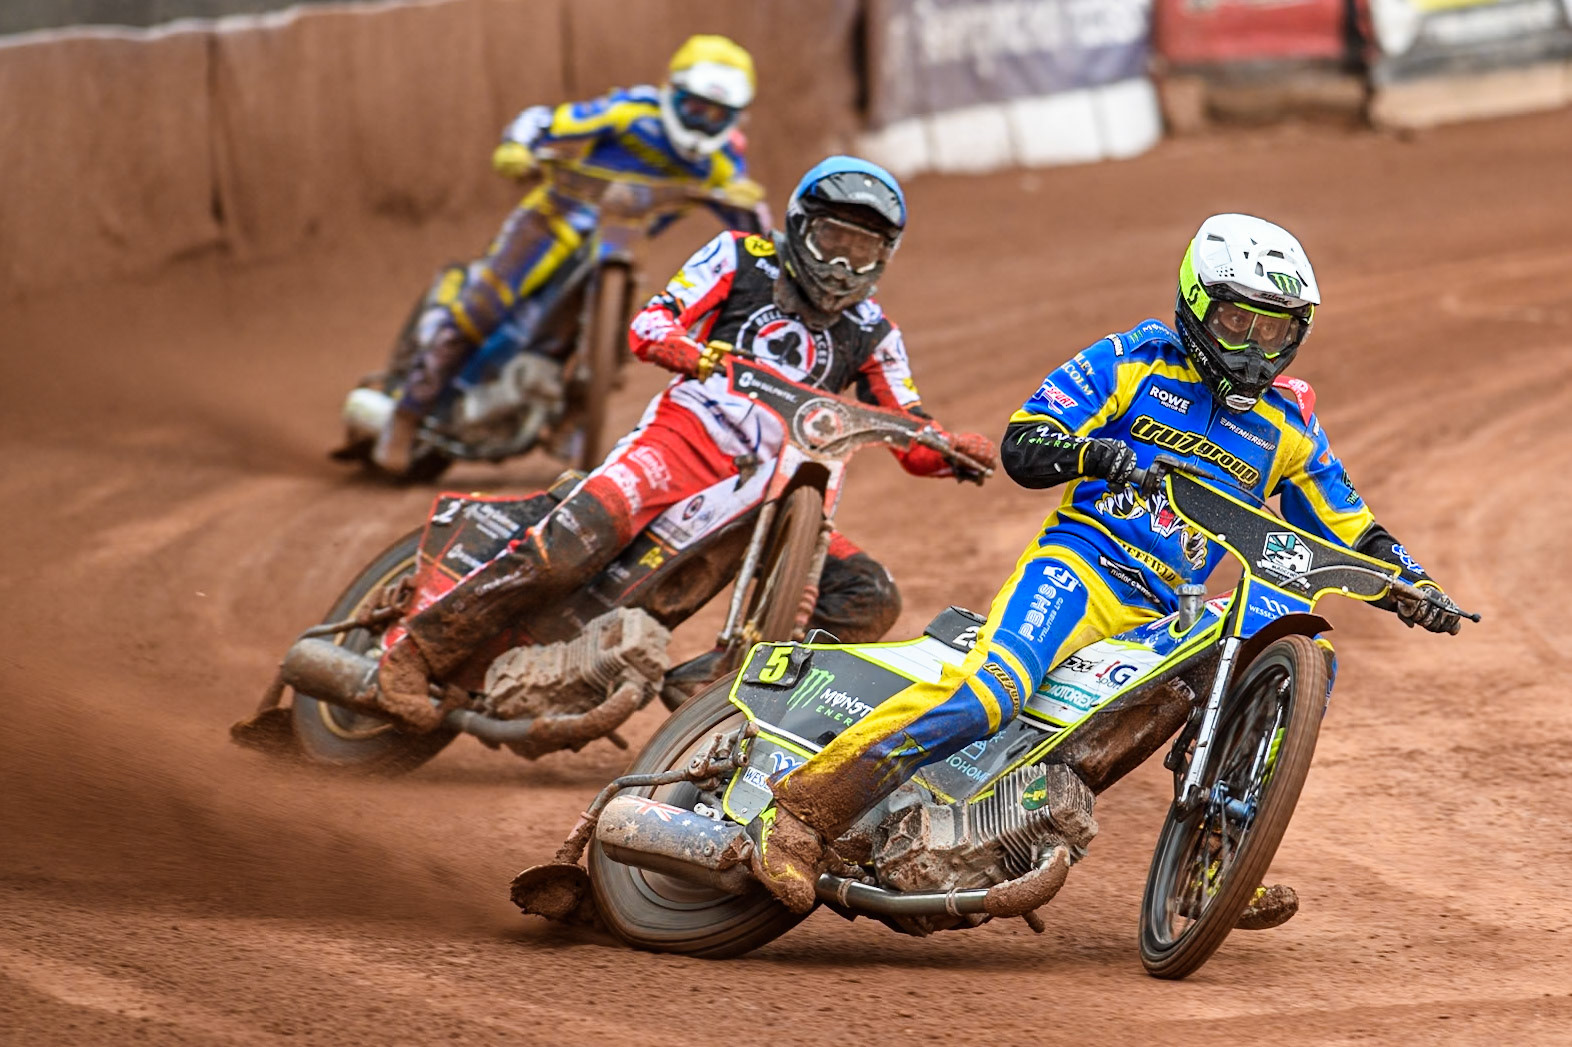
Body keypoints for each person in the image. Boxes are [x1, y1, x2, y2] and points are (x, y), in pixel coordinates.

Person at [746, 212, 1461, 918]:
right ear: (1196, 305)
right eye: (1238, 323)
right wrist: (1093, 452)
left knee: (1300, 640)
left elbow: (1351, 529)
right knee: (988, 696)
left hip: (1172, 610)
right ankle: (801, 813)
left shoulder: (1290, 421)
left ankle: (1213, 858)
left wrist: (1415, 585)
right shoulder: (1134, 360)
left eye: (1274, 331)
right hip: (1080, 569)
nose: (1252, 350)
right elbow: (1026, 442)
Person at [372, 156, 1000, 729]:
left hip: (780, 494)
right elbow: (651, 322)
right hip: (683, 444)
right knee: (572, 541)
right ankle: (420, 647)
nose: (841, 264)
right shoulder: (741, 256)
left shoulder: (874, 332)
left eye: (860, 250)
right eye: (832, 241)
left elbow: (911, 430)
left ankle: (713, 688)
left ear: (883, 256)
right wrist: (687, 351)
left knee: (869, 595)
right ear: (800, 227)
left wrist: (953, 450)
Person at [374, 33, 770, 474]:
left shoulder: (721, 162)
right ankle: (406, 415)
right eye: (695, 107)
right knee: (483, 306)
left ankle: (575, 415)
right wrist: (518, 146)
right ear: (672, 92)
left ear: (736, 117)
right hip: (549, 222)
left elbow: (755, 227)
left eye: (717, 114)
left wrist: (765, 247)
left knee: (636, 325)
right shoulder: (631, 113)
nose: (703, 122)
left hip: (615, 243)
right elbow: (543, 120)